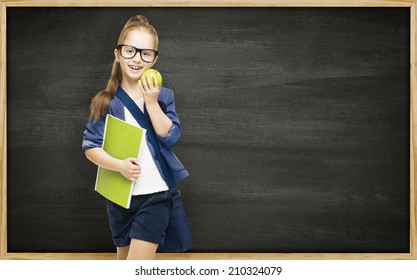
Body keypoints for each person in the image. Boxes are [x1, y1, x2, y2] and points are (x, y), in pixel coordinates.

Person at [82, 15, 189, 260]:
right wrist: (119, 166)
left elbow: (170, 137)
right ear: (118, 54)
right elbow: (90, 147)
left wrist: (151, 103)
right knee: (123, 263)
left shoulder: (163, 96)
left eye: (146, 53)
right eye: (130, 51)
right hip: (120, 198)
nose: (137, 58)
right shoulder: (106, 101)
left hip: (156, 196)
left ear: (154, 59)